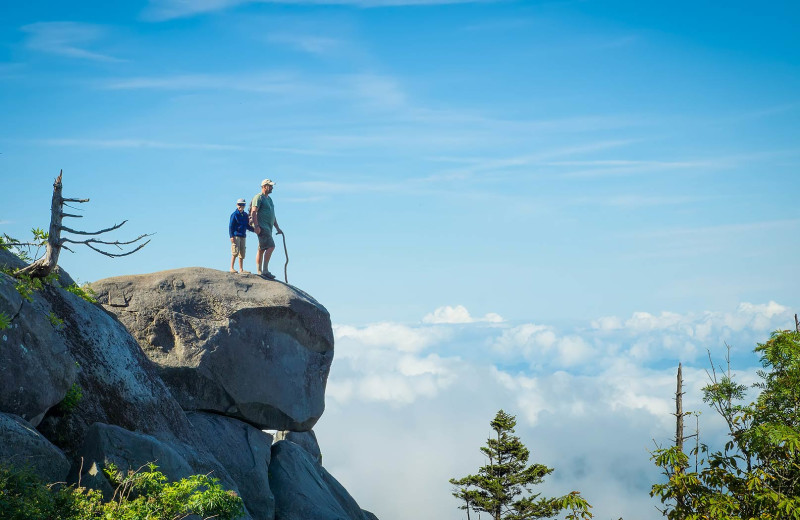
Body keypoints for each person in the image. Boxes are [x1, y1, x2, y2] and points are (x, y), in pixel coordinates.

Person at [251, 178, 282, 279]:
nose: (272, 187)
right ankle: (264, 270)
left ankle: (260, 271)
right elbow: (254, 212)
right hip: (262, 226)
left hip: (268, 227)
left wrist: (277, 228)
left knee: (262, 248)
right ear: (264, 187)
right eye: (270, 186)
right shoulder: (258, 197)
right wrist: (256, 226)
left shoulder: (269, 199)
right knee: (271, 246)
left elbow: (272, 215)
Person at [229, 198, 253, 274]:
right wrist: (231, 236)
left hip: (243, 235)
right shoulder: (234, 214)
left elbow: (247, 226)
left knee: (242, 253)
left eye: (242, 205)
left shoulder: (245, 215)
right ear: (237, 205)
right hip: (236, 235)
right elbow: (231, 226)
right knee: (235, 251)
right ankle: (231, 267)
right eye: (239, 204)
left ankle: (241, 269)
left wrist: (254, 230)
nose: (241, 206)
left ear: (244, 206)